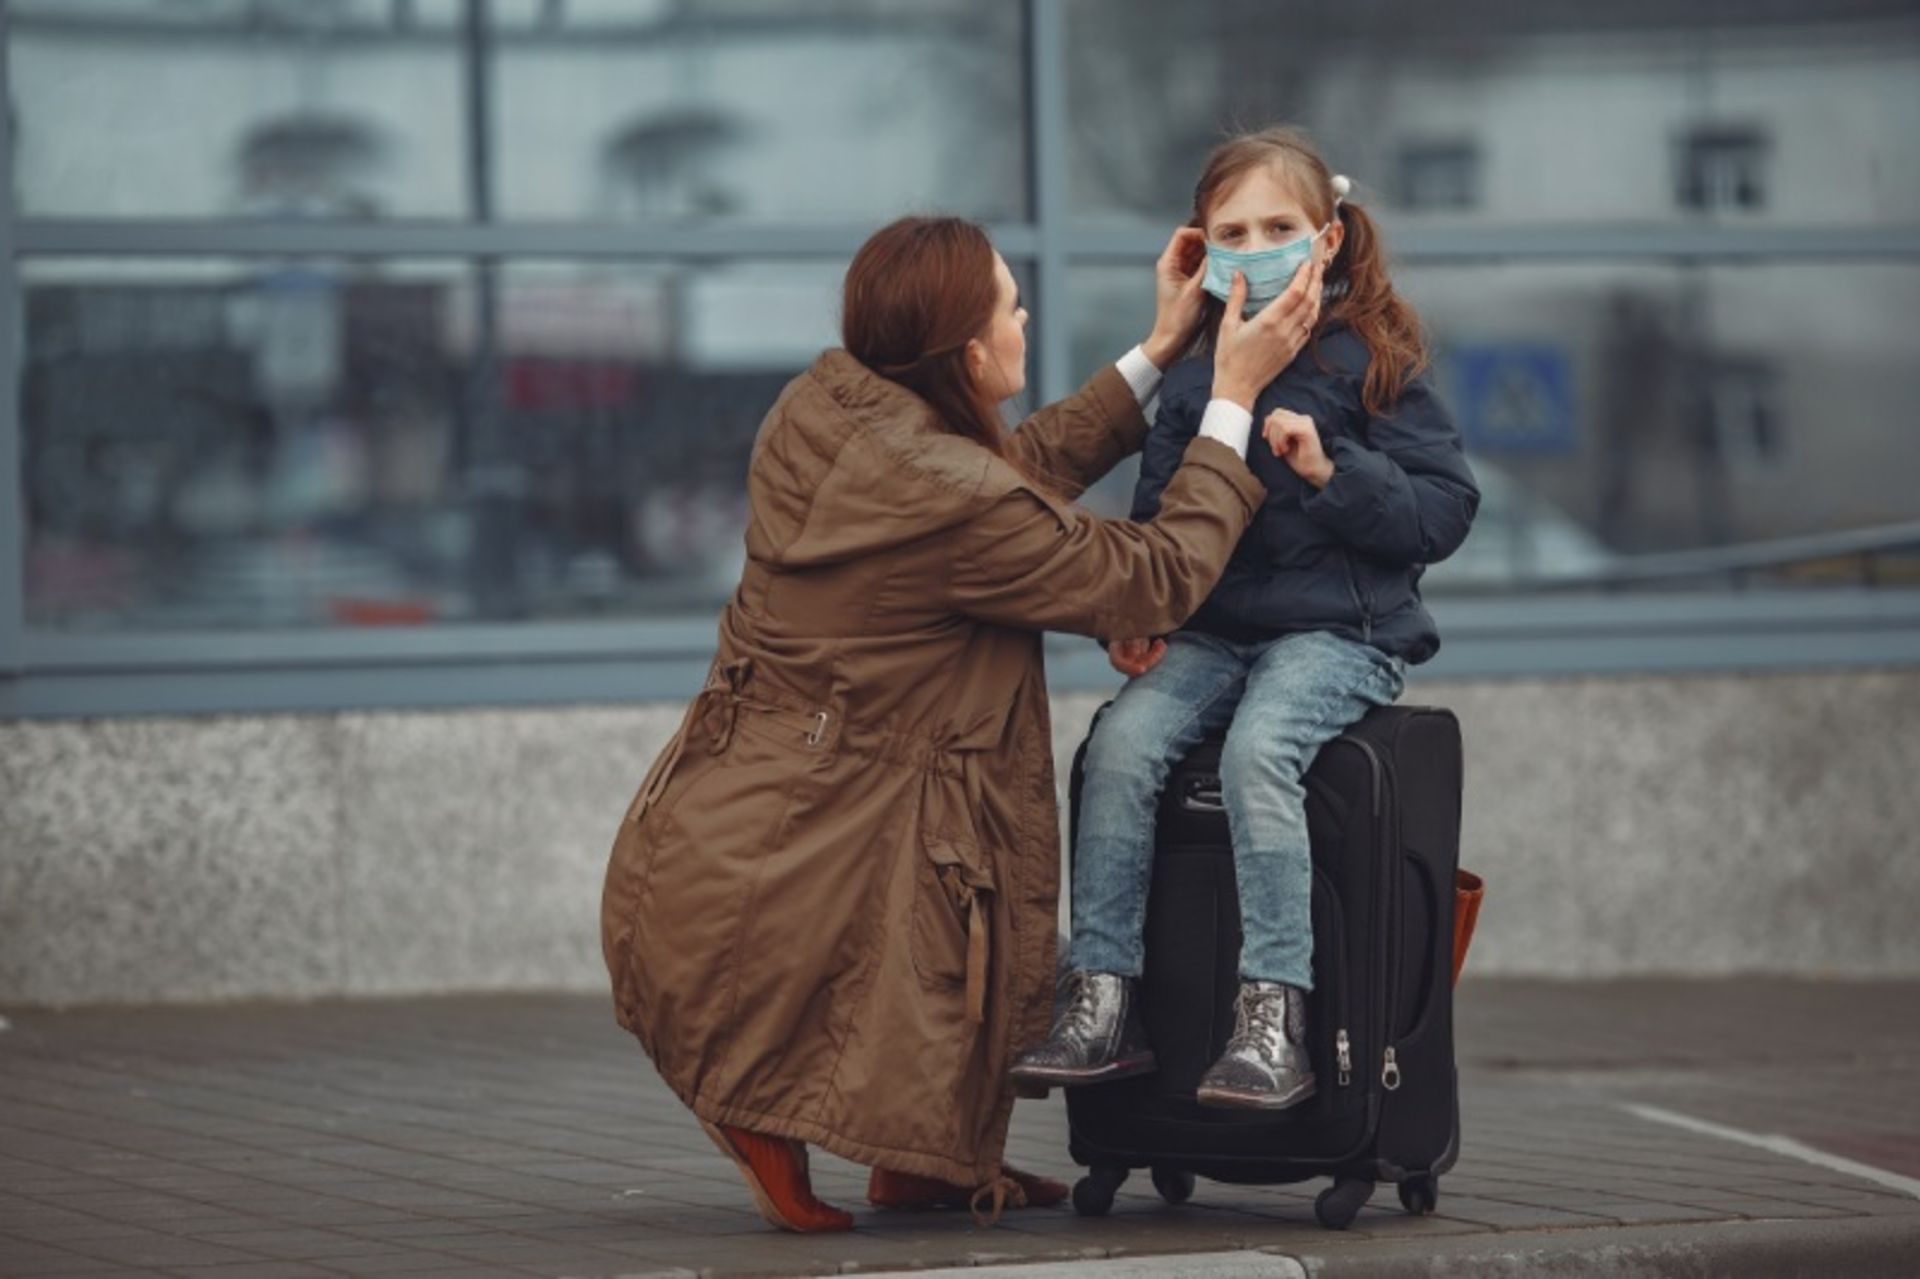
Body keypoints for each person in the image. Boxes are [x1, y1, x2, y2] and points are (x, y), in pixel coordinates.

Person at [601, 214, 1323, 1231]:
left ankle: (924, 1160)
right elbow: (1150, 577)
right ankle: (755, 1109)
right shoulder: (949, 493)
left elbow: (1007, 491)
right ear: (973, 352)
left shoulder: (836, 416)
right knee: (860, 964)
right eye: (1012, 304)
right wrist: (1233, 400)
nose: (1028, 316)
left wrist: (1160, 352)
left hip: (783, 778)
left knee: (936, 960)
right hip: (814, 808)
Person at [1011, 125, 1480, 1111]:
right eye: (1233, 228)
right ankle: (1101, 997)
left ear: (1329, 239)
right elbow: (1160, 511)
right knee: (1120, 747)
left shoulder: (1375, 355)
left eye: (1280, 225)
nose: (1256, 243)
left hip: (1340, 635)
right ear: (1201, 248)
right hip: (1216, 634)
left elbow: (1444, 512)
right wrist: (1136, 618)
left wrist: (1331, 468)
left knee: (1257, 753)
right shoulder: (1194, 367)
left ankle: (1276, 1015)